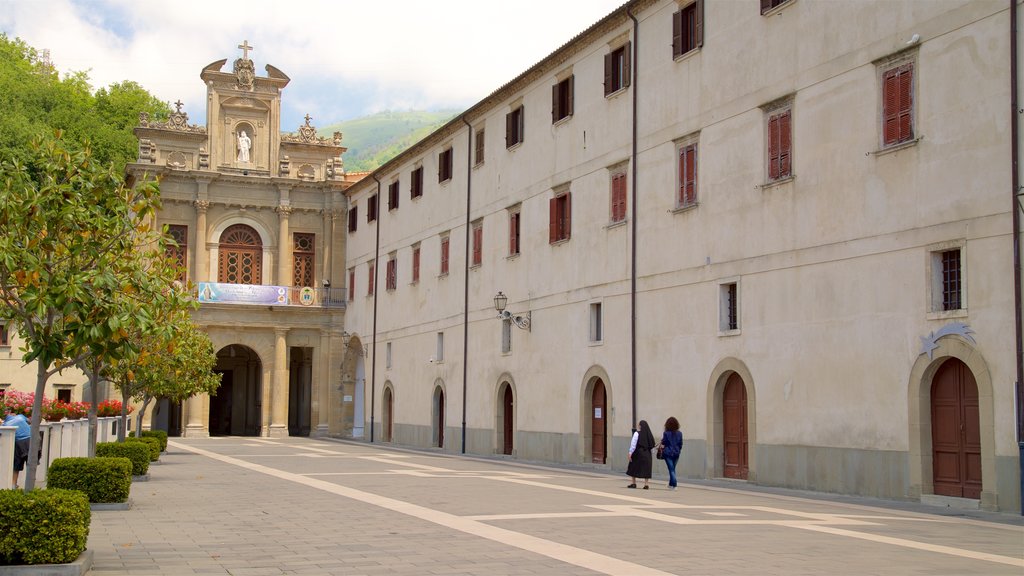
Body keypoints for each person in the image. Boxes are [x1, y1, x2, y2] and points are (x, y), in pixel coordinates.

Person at [2, 406, 31, 489]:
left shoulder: (5, 424)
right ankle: (29, 485)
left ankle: (13, 485)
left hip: (19, 444)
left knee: (16, 465)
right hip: (30, 440)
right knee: (30, 464)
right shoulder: (20, 417)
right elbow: (29, 421)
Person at [626, 419, 656, 489]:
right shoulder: (649, 435)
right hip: (647, 453)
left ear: (640, 426)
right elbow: (652, 446)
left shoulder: (637, 433)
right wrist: (651, 453)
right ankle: (646, 484)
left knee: (633, 466)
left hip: (638, 452)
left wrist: (630, 453)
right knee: (647, 468)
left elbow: (633, 444)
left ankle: (633, 483)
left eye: (639, 425)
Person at [658, 416, 683, 490]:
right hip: (676, 453)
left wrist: (662, 443)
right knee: (673, 468)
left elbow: (664, 442)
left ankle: (674, 484)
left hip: (668, 453)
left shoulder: (666, 433)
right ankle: (670, 484)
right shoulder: (679, 433)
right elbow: (680, 443)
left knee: (671, 469)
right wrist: (678, 450)